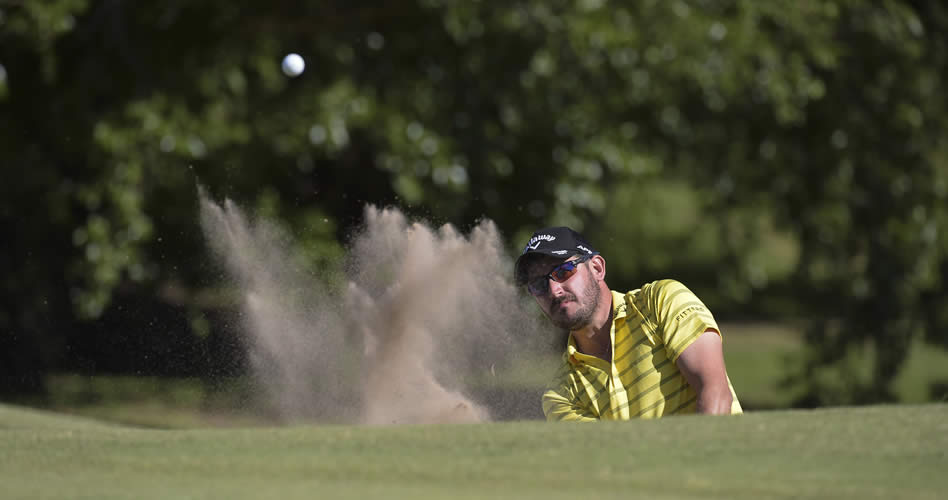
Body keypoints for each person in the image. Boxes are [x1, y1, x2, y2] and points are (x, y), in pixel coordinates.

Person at [514, 226, 742, 421]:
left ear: (597, 268)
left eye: (564, 271)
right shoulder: (562, 395)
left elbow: (714, 393)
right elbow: (609, 463)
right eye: (539, 285)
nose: (554, 290)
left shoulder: (660, 301)